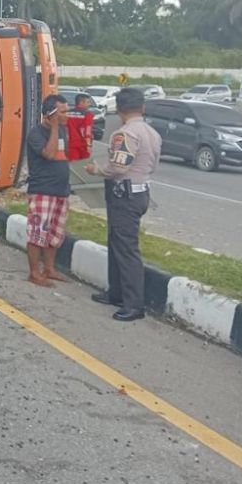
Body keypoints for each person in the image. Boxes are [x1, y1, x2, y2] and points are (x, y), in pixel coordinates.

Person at [86, 87, 162, 322]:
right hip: (139, 193)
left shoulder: (125, 134)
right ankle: (116, 293)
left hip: (124, 195)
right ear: (143, 107)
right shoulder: (152, 133)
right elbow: (153, 165)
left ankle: (133, 304)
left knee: (126, 248)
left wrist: (96, 169)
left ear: (118, 109)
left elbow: (119, 166)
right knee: (117, 242)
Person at [25, 94, 71, 287]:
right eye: (62, 112)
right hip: (43, 190)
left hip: (61, 191)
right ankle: (34, 273)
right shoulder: (36, 133)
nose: (66, 115)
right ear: (50, 114)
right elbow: (50, 154)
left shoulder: (63, 131)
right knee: (38, 232)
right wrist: (53, 127)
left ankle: (49, 269)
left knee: (55, 233)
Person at [66, 93, 95, 161]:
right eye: (87, 102)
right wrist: (88, 145)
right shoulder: (87, 115)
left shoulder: (67, 113)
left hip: (69, 145)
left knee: (72, 167)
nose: (89, 104)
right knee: (82, 167)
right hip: (83, 145)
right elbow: (87, 131)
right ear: (81, 102)